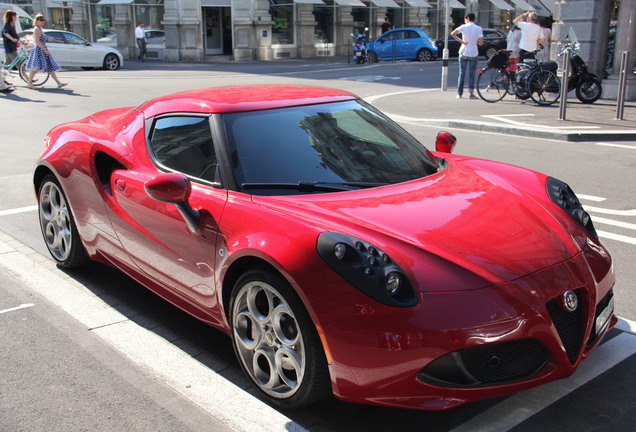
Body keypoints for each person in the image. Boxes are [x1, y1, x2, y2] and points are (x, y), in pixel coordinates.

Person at [25, 14, 67, 89]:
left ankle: (59, 83)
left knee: (50, 66)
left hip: (42, 48)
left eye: (43, 20)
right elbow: (37, 41)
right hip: (39, 50)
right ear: (37, 21)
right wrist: (44, 50)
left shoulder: (40, 29)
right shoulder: (36, 29)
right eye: (41, 20)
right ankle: (29, 83)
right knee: (35, 67)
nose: (43, 21)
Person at [451, 13, 483, 99]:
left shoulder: (464, 27)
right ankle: (471, 93)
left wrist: (461, 41)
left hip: (464, 51)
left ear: (467, 18)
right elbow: (481, 43)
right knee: (472, 74)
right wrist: (475, 41)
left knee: (462, 73)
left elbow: (453, 33)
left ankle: (459, 93)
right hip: (473, 52)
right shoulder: (478, 28)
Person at [2, 9, 19, 87]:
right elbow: (5, 33)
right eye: (15, 16)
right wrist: (13, 39)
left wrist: (18, 40)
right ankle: (28, 79)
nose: (16, 18)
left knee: (6, 65)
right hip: (10, 48)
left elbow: (15, 35)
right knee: (18, 62)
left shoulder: (12, 25)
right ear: (11, 17)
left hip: (11, 47)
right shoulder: (7, 25)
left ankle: (2, 80)